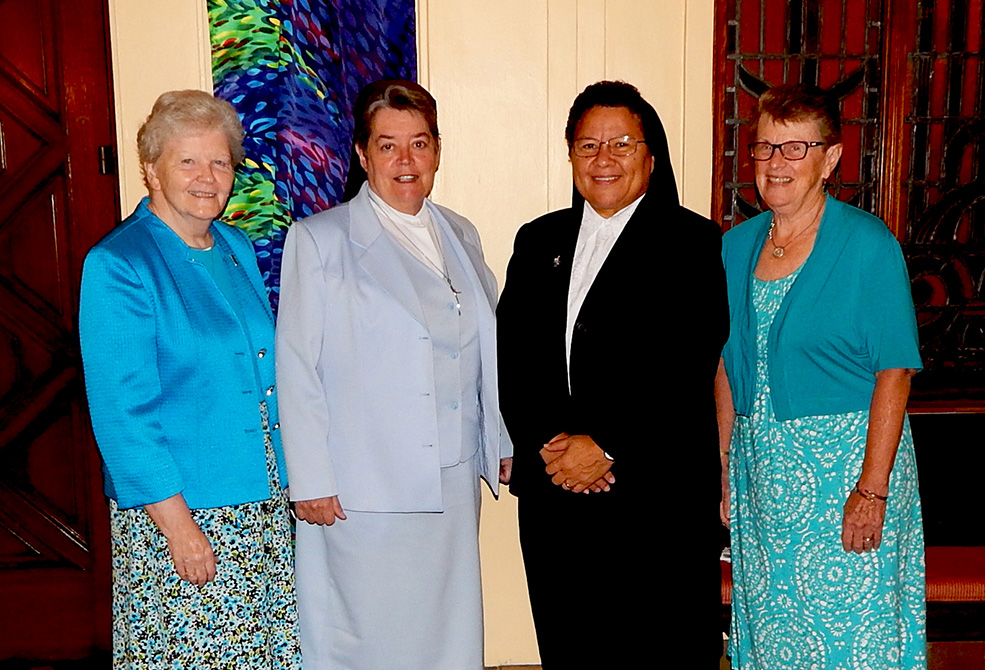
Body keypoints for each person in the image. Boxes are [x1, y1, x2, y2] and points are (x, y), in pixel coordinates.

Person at [275, 79, 512, 670]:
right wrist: (309, 478)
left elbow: (486, 347)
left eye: (420, 143)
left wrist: (501, 442)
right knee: (370, 635)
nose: (406, 161)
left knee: (447, 630)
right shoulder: (319, 240)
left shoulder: (460, 231)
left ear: (437, 150)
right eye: (387, 146)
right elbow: (298, 366)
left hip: (452, 479)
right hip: (364, 487)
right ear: (362, 154)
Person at [497, 80, 729, 668]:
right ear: (570, 154)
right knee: (570, 649)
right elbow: (515, 359)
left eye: (621, 144)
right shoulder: (537, 240)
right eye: (587, 144)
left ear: (651, 157)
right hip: (556, 502)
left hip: (654, 500)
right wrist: (555, 450)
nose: (603, 159)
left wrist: (606, 446)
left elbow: (685, 364)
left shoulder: (694, 242)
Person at [79, 90, 300, 668]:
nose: (208, 177)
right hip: (184, 513)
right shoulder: (119, 263)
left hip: (260, 504)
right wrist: (179, 528)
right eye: (188, 161)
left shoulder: (233, 245)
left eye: (220, 161)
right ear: (150, 168)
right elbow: (121, 414)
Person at [716, 83, 925, 669]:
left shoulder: (866, 245)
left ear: (830, 159)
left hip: (846, 478)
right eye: (764, 149)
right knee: (775, 633)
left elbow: (895, 372)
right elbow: (726, 364)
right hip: (764, 479)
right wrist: (726, 465)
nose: (776, 164)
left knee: (851, 637)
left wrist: (872, 491)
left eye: (795, 149)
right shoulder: (734, 248)